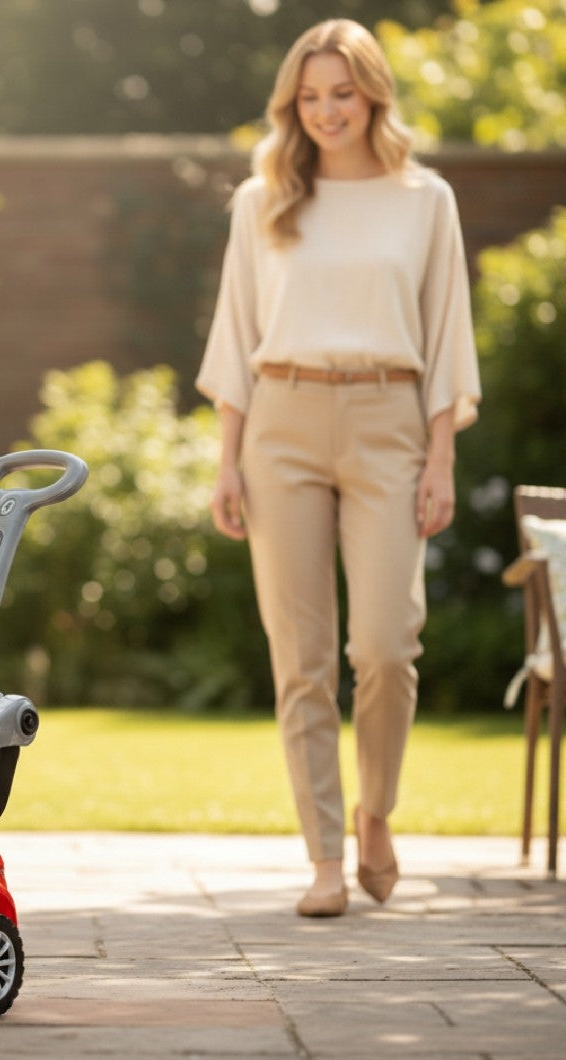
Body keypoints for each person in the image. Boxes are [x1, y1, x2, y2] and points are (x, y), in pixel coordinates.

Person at [196, 19, 480, 917]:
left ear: (373, 94)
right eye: (310, 96)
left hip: (391, 418)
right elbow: (237, 333)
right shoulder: (263, 198)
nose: (326, 111)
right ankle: (324, 857)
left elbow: (447, 334)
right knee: (303, 656)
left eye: (342, 93)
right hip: (278, 420)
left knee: (387, 647)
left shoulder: (424, 199)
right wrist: (227, 461)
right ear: (294, 103)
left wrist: (441, 456)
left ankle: (376, 813)